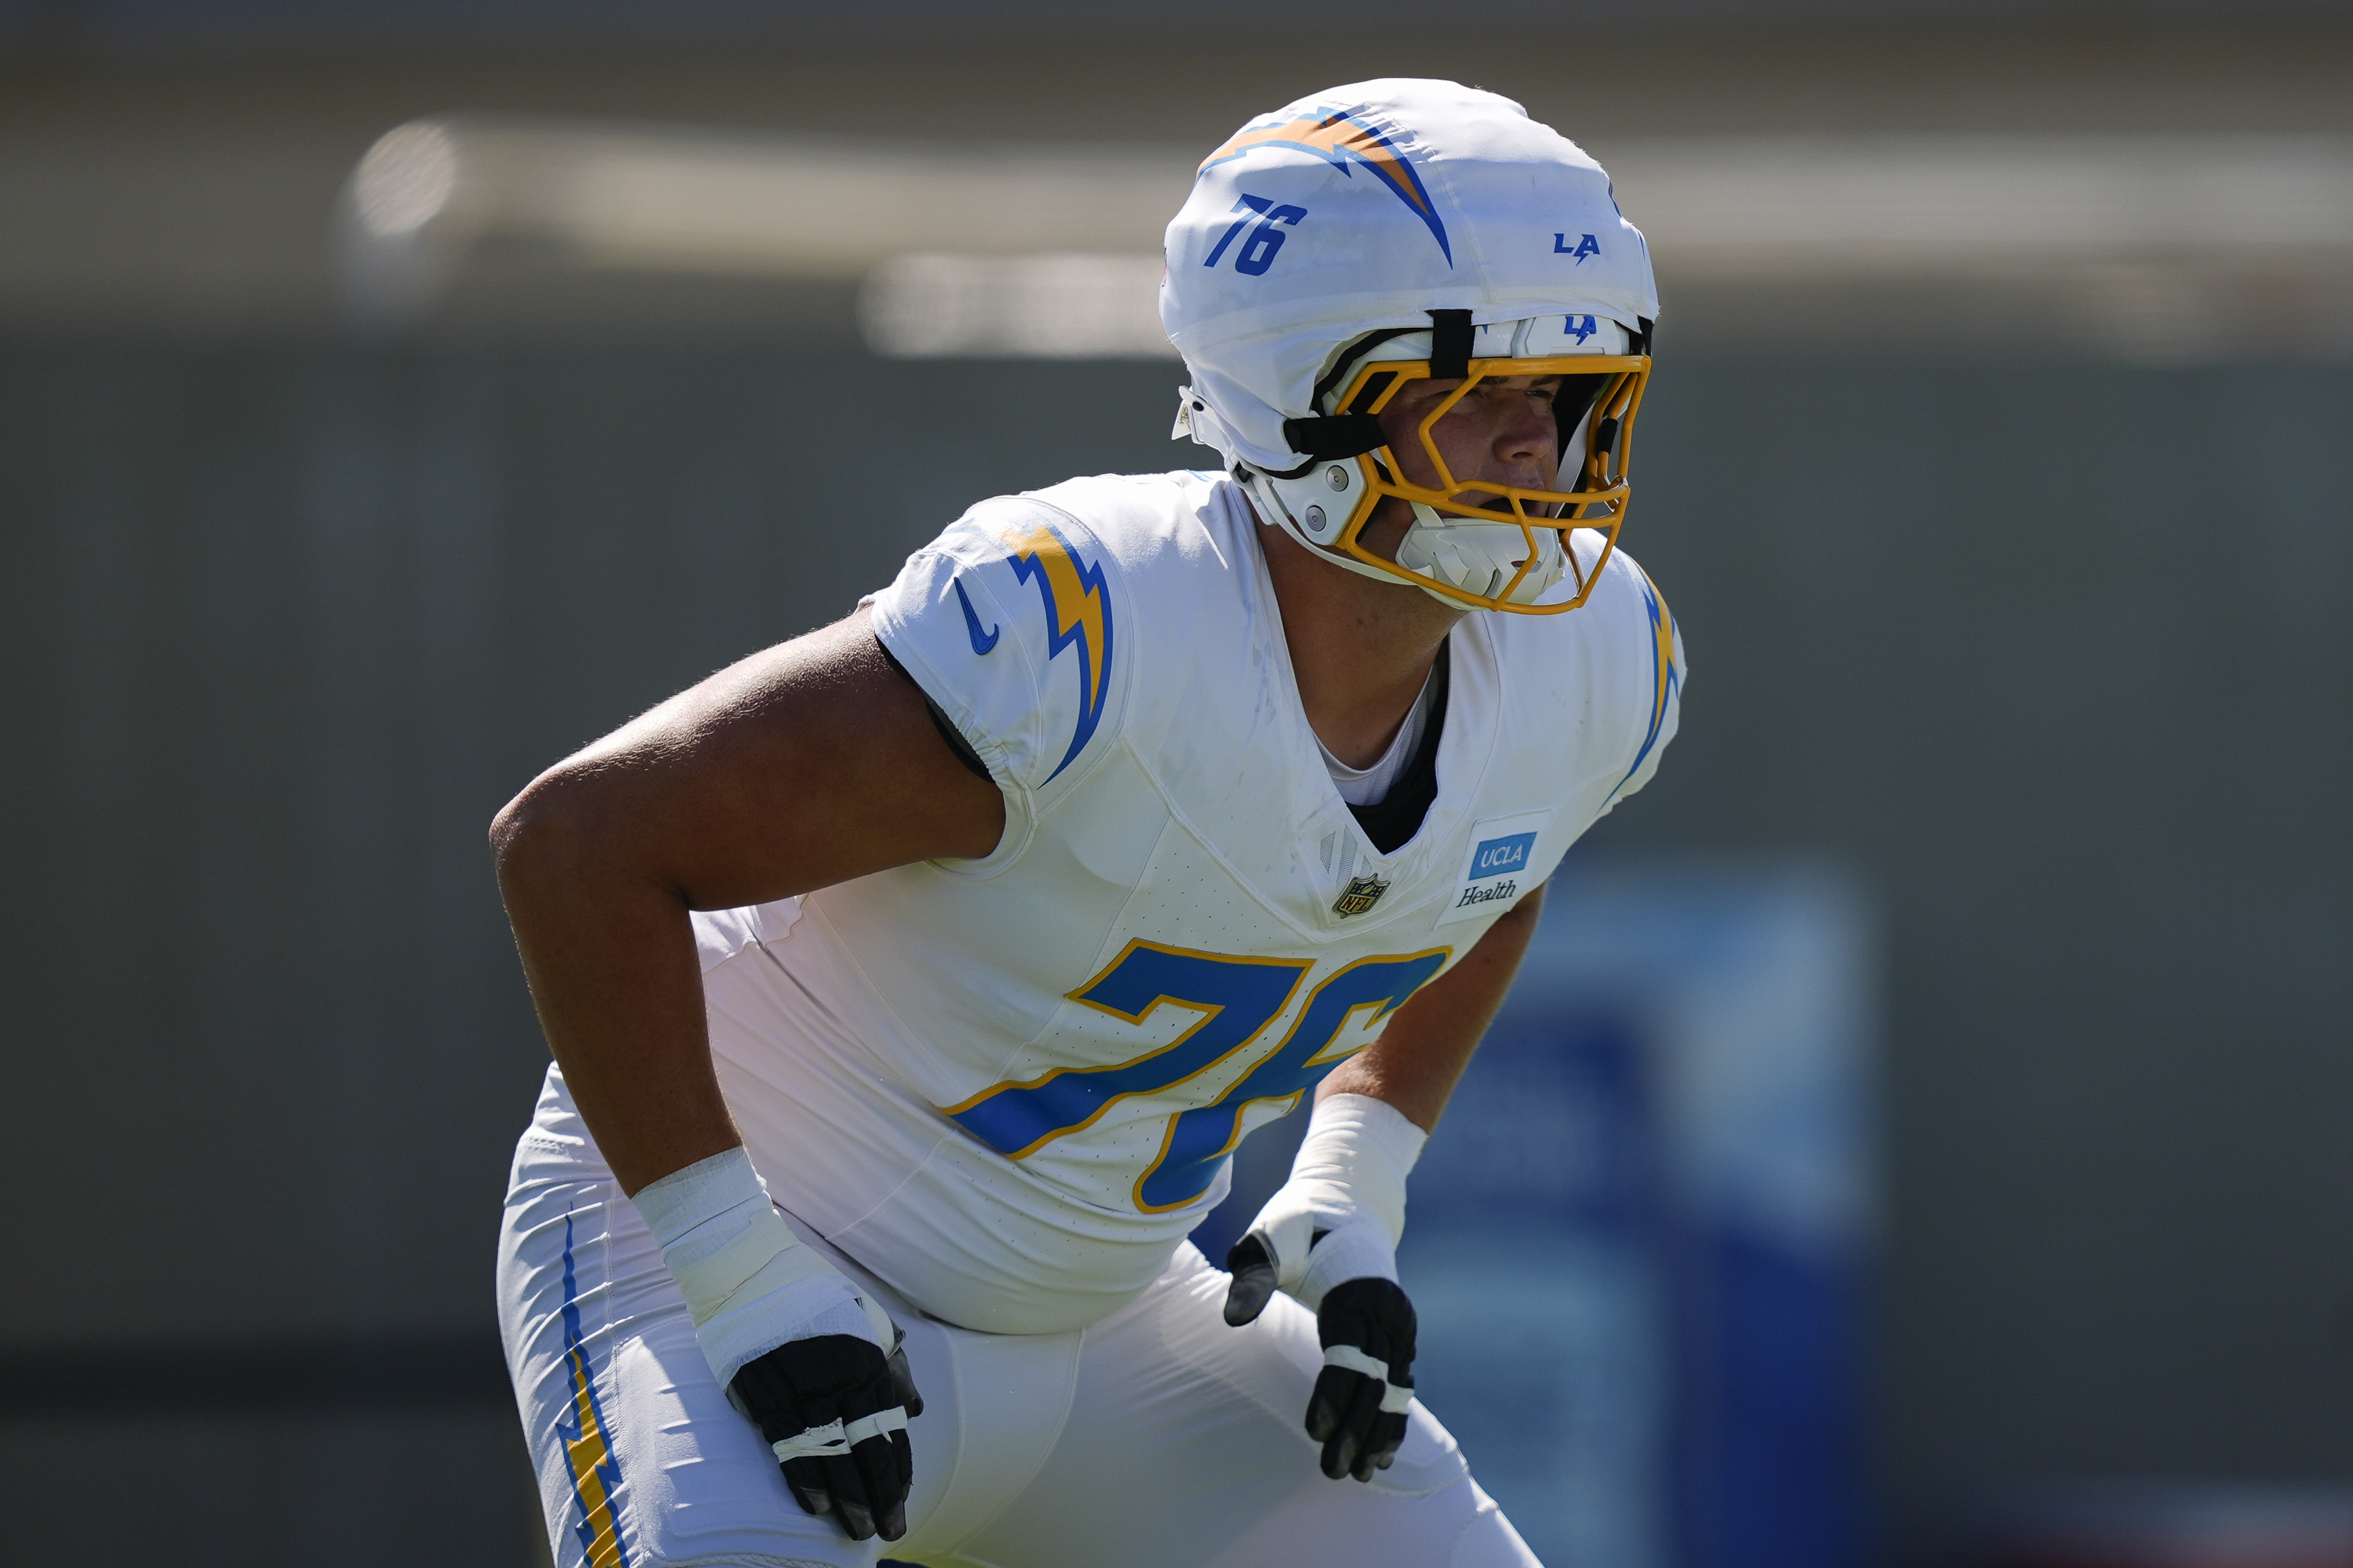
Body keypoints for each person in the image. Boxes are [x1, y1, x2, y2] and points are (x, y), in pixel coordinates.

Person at [491, 77, 1682, 1568]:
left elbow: (1489, 865)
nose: (1537, 443)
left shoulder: (1592, 666)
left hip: (1107, 1323)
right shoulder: (1093, 631)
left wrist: (1350, 1181)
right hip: (735, 1273)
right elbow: (582, 843)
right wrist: (738, 1277)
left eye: (1568, 391)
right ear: (1306, 386)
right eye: (1479, 387)